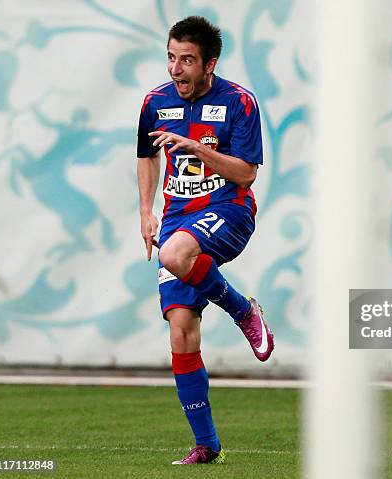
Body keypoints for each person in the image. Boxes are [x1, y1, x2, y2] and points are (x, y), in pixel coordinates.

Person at [136, 15, 274, 465]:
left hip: (229, 211)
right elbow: (146, 156)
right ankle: (206, 445)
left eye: (187, 60)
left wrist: (198, 149)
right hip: (178, 218)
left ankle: (242, 310)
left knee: (176, 253)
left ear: (210, 63)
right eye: (172, 57)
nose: (176, 69)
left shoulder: (239, 102)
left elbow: (246, 173)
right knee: (181, 329)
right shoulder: (155, 102)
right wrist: (145, 210)